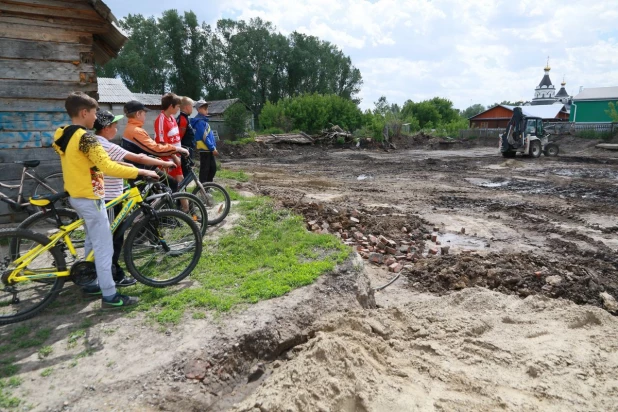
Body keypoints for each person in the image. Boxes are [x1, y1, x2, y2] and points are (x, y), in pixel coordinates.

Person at [52, 92, 158, 308]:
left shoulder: (63, 134)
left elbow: (87, 163)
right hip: (90, 197)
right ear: (84, 112)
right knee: (104, 247)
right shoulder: (86, 138)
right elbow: (108, 166)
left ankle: (91, 281)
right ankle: (110, 295)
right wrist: (141, 172)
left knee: (92, 240)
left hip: (76, 194)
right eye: (93, 113)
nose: (95, 118)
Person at [93, 110, 175, 288]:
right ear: (106, 128)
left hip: (106, 195)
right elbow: (139, 157)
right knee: (112, 239)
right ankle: (113, 275)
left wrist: (127, 165)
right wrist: (164, 163)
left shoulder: (98, 143)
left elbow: (114, 162)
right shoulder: (106, 145)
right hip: (108, 198)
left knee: (109, 237)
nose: (116, 128)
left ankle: (100, 272)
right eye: (114, 125)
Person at [120, 100, 189, 192]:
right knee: (171, 184)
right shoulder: (135, 131)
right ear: (138, 114)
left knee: (158, 189)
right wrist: (177, 149)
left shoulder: (132, 128)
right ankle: (169, 206)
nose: (146, 116)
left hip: (142, 166)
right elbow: (155, 149)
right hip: (141, 168)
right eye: (144, 114)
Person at [154, 93, 183, 184]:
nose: (179, 109)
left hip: (176, 157)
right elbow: (162, 143)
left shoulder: (172, 118)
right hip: (167, 159)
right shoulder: (161, 120)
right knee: (170, 185)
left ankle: (182, 198)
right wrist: (174, 157)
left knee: (180, 182)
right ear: (171, 106)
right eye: (178, 106)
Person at [191, 100, 219, 185]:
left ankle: (208, 186)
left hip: (208, 149)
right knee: (205, 169)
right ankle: (203, 187)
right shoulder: (200, 122)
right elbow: (204, 137)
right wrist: (212, 148)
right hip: (205, 149)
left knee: (212, 168)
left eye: (207, 109)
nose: (207, 111)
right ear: (199, 109)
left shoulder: (203, 121)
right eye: (205, 109)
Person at [176, 96, 195, 177]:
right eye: (192, 106)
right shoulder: (183, 119)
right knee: (185, 175)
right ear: (187, 107)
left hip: (186, 150)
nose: (192, 109)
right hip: (184, 152)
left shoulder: (185, 118)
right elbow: (179, 138)